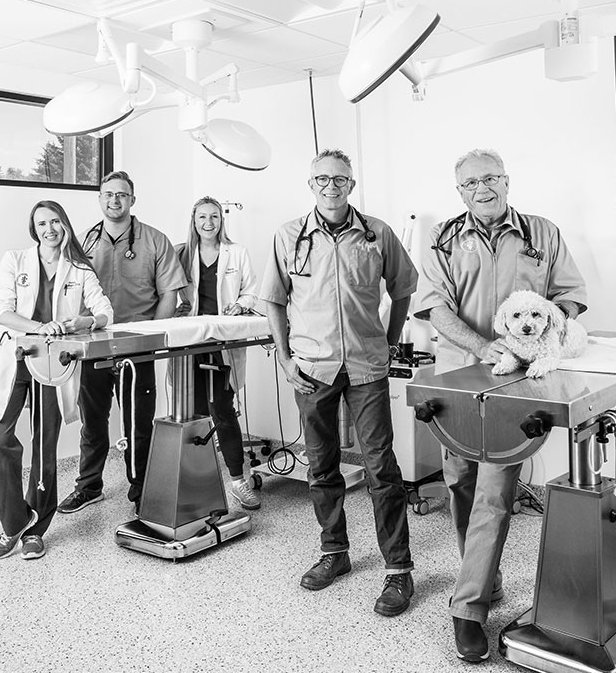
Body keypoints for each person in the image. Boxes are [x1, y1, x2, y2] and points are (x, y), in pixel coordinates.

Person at [415, 148, 588, 661]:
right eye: (470, 183)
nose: (481, 189)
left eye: (490, 178)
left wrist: (540, 332)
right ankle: (483, 579)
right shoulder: (444, 238)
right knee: (459, 482)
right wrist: (480, 345)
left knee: (494, 491)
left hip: (515, 386)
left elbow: (571, 296)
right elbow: (433, 306)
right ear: (459, 191)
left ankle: (467, 608)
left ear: (507, 180)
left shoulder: (541, 232)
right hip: (457, 378)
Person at [259, 148, 418, 617]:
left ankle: (397, 570)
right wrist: (286, 358)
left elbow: (403, 288)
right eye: (322, 179)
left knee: (381, 469)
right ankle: (335, 552)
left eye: (341, 179)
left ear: (352, 184)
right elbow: (273, 300)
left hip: (368, 367)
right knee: (321, 465)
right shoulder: (288, 236)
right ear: (311, 185)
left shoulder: (377, 234)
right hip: (312, 369)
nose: (332, 186)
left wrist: (388, 342)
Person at [0, 200, 113, 559]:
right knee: (0, 442)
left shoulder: (79, 269)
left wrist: (81, 322)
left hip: (53, 363)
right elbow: (3, 311)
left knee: (45, 446)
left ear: (65, 225)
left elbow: (104, 312)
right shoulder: (15, 261)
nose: (49, 229)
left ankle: (37, 528)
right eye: (42, 223)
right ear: (34, 228)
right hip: (13, 358)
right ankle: (14, 523)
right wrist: (41, 328)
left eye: (55, 221)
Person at [57, 171, 186, 515]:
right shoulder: (82, 242)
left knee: (138, 423)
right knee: (93, 420)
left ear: (132, 200)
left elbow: (170, 293)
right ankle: (89, 487)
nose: (115, 200)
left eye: (122, 195)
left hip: (136, 346)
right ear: (100, 199)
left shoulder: (156, 240)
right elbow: (68, 293)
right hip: (94, 344)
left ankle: (142, 487)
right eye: (108, 194)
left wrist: (152, 338)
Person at [175, 196, 261, 511]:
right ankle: (197, 483)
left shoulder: (236, 253)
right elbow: (169, 293)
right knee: (193, 413)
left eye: (214, 217)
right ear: (193, 221)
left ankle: (239, 481)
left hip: (222, 342)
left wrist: (241, 304)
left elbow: (251, 290)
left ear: (221, 220)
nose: (209, 223)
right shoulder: (181, 254)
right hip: (190, 344)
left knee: (222, 409)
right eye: (202, 218)